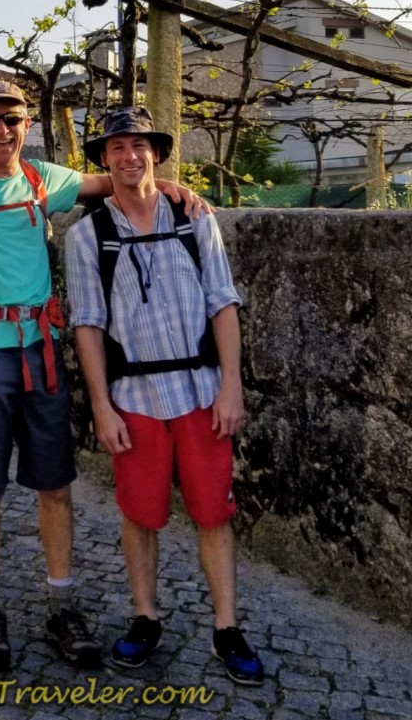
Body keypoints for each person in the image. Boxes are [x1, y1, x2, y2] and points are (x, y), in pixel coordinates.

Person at [0, 82, 203, 672]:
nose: (2, 130)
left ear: (27, 125)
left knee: (57, 488)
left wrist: (169, 186)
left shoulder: (41, 178)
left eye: (13, 119)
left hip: (40, 353)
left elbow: (112, 180)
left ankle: (60, 606)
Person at [63, 106, 265, 687]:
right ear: (104, 159)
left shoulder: (195, 220)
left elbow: (222, 303)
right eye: (117, 147)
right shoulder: (87, 236)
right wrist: (101, 406)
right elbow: (87, 324)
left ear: (156, 153)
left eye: (139, 145)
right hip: (133, 398)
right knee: (140, 515)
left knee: (214, 513)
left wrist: (232, 386)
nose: (130, 156)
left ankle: (226, 628)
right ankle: (145, 617)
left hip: (202, 392)